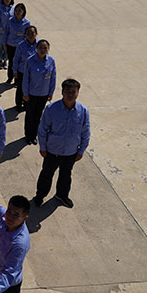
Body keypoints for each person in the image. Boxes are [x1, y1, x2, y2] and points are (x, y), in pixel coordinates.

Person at [33, 79, 90, 209]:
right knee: (46, 175)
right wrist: (43, 147)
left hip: (71, 152)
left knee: (66, 176)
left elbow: (85, 132)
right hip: (52, 151)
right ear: (62, 92)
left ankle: (62, 196)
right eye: (67, 91)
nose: (70, 95)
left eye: (73, 92)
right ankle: (40, 195)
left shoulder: (83, 111)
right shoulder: (51, 109)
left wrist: (81, 151)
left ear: (78, 93)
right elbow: (42, 129)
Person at [22, 40, 56, 145]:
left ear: (48, 49)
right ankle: (28, 136)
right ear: (36, 48)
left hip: (44, 94)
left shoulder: (51, 61)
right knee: (30, 116)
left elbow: (53, 77)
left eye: (45, 48)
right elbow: (26, 78)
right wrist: (25, 93)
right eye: (40, 47)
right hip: (31, 94)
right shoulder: (30, 61)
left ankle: (34, 136)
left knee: (38, 116)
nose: (42, 50)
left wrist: (51, 92)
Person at [12, 25, 38, 113]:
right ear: (25, 35)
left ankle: (27, 104)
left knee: (30, 89)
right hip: (22, 72)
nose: (30, 35)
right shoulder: (21, 45)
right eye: (28, 33)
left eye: (32, 33)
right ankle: (18, 105)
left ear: (36, 34)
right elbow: (16, 59)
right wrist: (15, 71)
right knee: (20, 89)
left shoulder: (39, 45)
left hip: (34, 73)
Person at [3, 2, 30, 85]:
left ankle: (17, 80)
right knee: (11, 62)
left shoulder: (26, 23)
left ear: (23, 12)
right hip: (10, 45)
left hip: (20, 47)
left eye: (19, 11)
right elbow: (6, 33)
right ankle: (10, 77)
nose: (17, 12)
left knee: (19, 63)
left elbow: (27, 35)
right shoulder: (10, 21)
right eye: (16, 10)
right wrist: (4, 44)